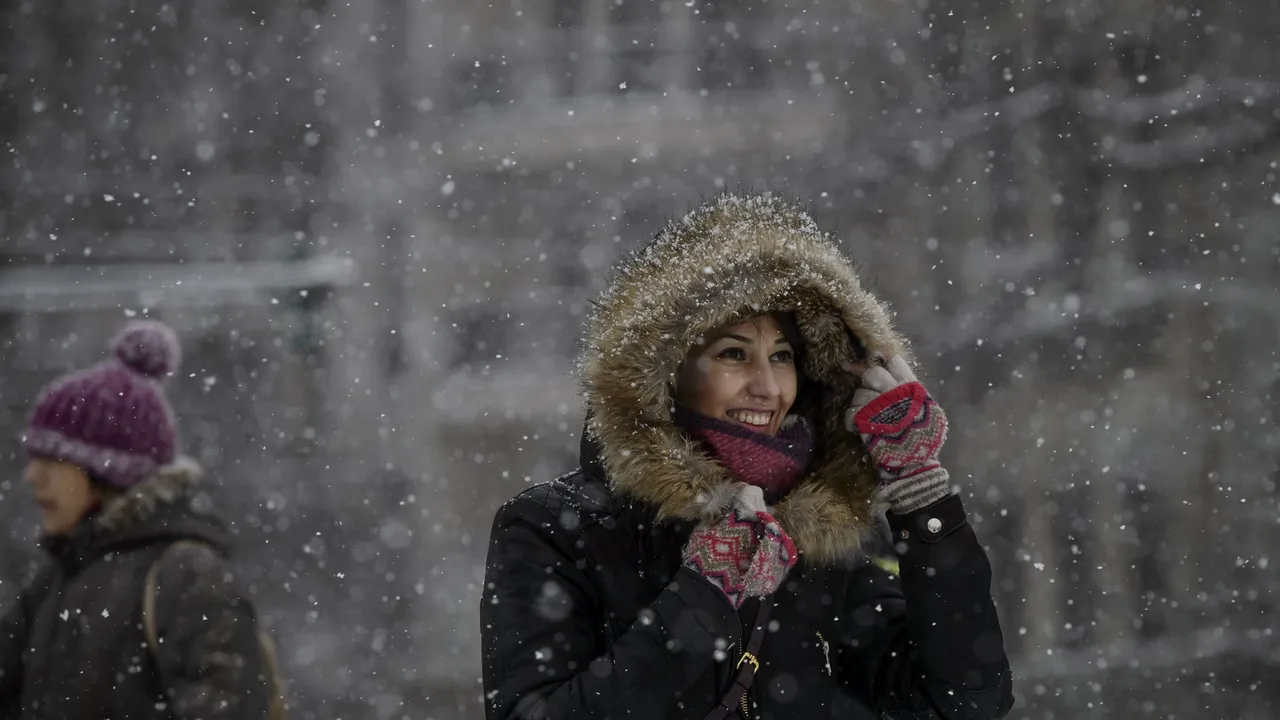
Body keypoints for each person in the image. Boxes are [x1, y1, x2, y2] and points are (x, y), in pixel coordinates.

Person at [480, 193, 1014, 719]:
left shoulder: (820, 534)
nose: (767, 386)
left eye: (782, 357)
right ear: (667, 373)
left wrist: (920, 492)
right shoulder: (557, 528)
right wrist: (702, 597)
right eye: (734, 353)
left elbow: (964, 702)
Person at [0, 320, 271, 719]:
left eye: (52, 461)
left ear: (107, 473)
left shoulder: (185, 577)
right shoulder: (55, 580)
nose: (32, 476)